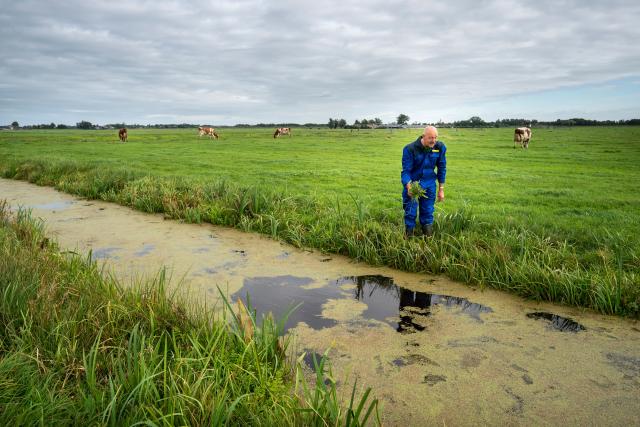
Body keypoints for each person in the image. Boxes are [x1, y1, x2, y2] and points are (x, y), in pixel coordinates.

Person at [400, 126, 446, 237]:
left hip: (429, 184)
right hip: (414, 185)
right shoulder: (410, 149)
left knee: (428, 211)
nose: (433, 141)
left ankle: (428, 238)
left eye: (435, 137)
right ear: (423, 136)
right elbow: (406, 171)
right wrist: (408, 186)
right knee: (410, 211)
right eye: (430, 138)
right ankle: (408, 237)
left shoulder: (439, 147)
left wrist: (441, 189)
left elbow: (442, 167)